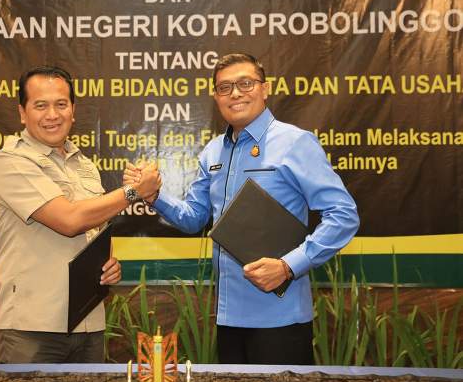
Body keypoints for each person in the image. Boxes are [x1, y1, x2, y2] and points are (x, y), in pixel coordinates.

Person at [124, 53, 359, 365]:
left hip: (281, 318)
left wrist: (288, 266)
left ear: (265, 89)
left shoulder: (295, 142)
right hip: (228, 317)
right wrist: (154, 195)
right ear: (216, 97)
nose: (235, 93)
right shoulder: (212, 152)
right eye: (224, 87)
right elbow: (194, 219)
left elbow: (343, 215)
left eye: (245, 84)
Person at [0, 66, 161, 363]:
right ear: (22, 113)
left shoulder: (85, 166)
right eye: (40, 105)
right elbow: (70, 221)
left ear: (73, 110)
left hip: (89, 323)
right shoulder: (10, 162)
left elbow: (95, 230)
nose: (52, 115)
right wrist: (133, 192)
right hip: (32, 328)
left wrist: (109, 265)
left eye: (61, 104)